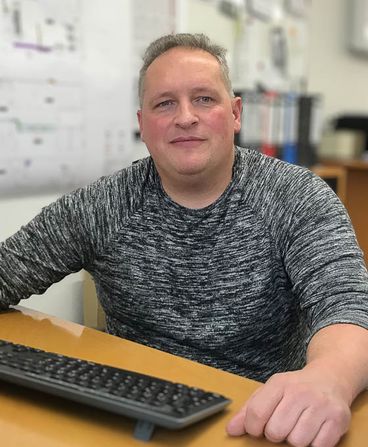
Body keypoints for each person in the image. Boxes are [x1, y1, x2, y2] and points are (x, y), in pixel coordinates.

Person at [0, 33, 367, 446]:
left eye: (205, 99)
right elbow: (8, 270)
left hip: (259, 420)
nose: (186, 117)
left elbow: (348, 307)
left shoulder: (297, 197)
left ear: (235, 113)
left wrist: (329, 378)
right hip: (134, 415)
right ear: (143, 125)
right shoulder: (103, 204)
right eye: (165, 103)